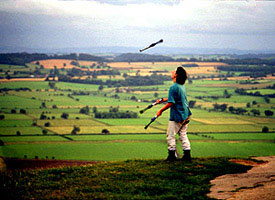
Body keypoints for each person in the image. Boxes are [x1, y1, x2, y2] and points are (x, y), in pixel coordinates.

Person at [155, 67, 192, 162]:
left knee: (170, 135)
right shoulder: (181, 86)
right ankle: (187, 156)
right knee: (183, 134)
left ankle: (171, 157)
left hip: (177, 115)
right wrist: (164, 100)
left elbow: (171, 103)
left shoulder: (173, 87)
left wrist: (161, 110)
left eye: (174, 71)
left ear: (176, 75)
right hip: (186, 114)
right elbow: (176, 98)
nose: (172, 72)